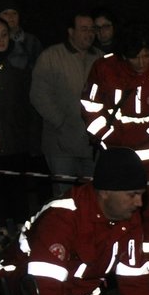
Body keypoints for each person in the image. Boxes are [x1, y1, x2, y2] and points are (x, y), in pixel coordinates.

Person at [14, 147, 149, 295]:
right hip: (29, 286)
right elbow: (45, 286)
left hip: (80, 288)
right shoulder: (62, 218)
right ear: (104, 192)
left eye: (141, 194)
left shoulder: (127, 217)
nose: (140, 203)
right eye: (132, 195)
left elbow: (133, 272)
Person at [80, 27, 149, 277]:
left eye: (145, 56)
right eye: (135, 57)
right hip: (117, 155)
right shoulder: (104, 68)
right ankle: (113, 263)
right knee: (116, 212)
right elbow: (89, 106)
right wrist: (105, 137)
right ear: (123, 56)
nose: (141, 63)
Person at [0, 15, 42, 244]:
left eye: (4, 34)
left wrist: (32, 138)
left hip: (17, 140)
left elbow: (29, 104)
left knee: (18, 187)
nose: (0, 40)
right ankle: (0, 231)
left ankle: (22, 232)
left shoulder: (21, 65)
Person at [30, 10, 100, 196]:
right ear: (71, 31)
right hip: (60, 145)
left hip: (92, 145)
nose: (89, 33)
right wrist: (61, 122)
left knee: (93, 196)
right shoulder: (51, 57)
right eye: (83, 29)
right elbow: (39, 95)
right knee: (64, 196)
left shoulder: (101, 59)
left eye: (92, 29)